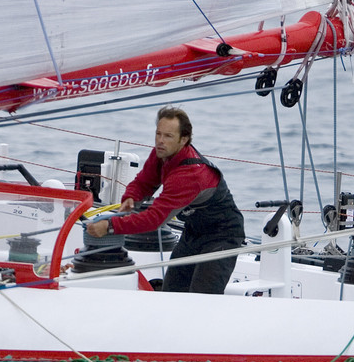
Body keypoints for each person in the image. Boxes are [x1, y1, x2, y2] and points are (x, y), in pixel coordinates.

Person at [85, 107, 246, 294]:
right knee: (172, 292)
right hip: (194, 231)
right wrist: (131, 196)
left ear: (183, 140)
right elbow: (144, 181)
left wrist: (110, 225)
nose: (160, 141)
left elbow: (155, 220)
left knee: (201, 297)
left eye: (168, 136)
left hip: (223, 235)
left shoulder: (189, 175)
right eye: (158, 134)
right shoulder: (162, 153)